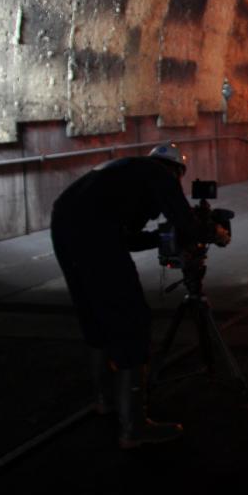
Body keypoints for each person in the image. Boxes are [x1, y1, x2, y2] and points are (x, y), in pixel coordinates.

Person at [50, 143, 197, 449]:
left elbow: (127, 239)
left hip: (64, 224)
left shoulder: (124, 173)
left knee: (96, 313)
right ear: (175, 171)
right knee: (131, 318)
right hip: (95, 233)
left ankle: (104, 400)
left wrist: (159, 238)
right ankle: (134, 427)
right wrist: (206, 231)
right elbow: (185, 222)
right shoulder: (160, 175)